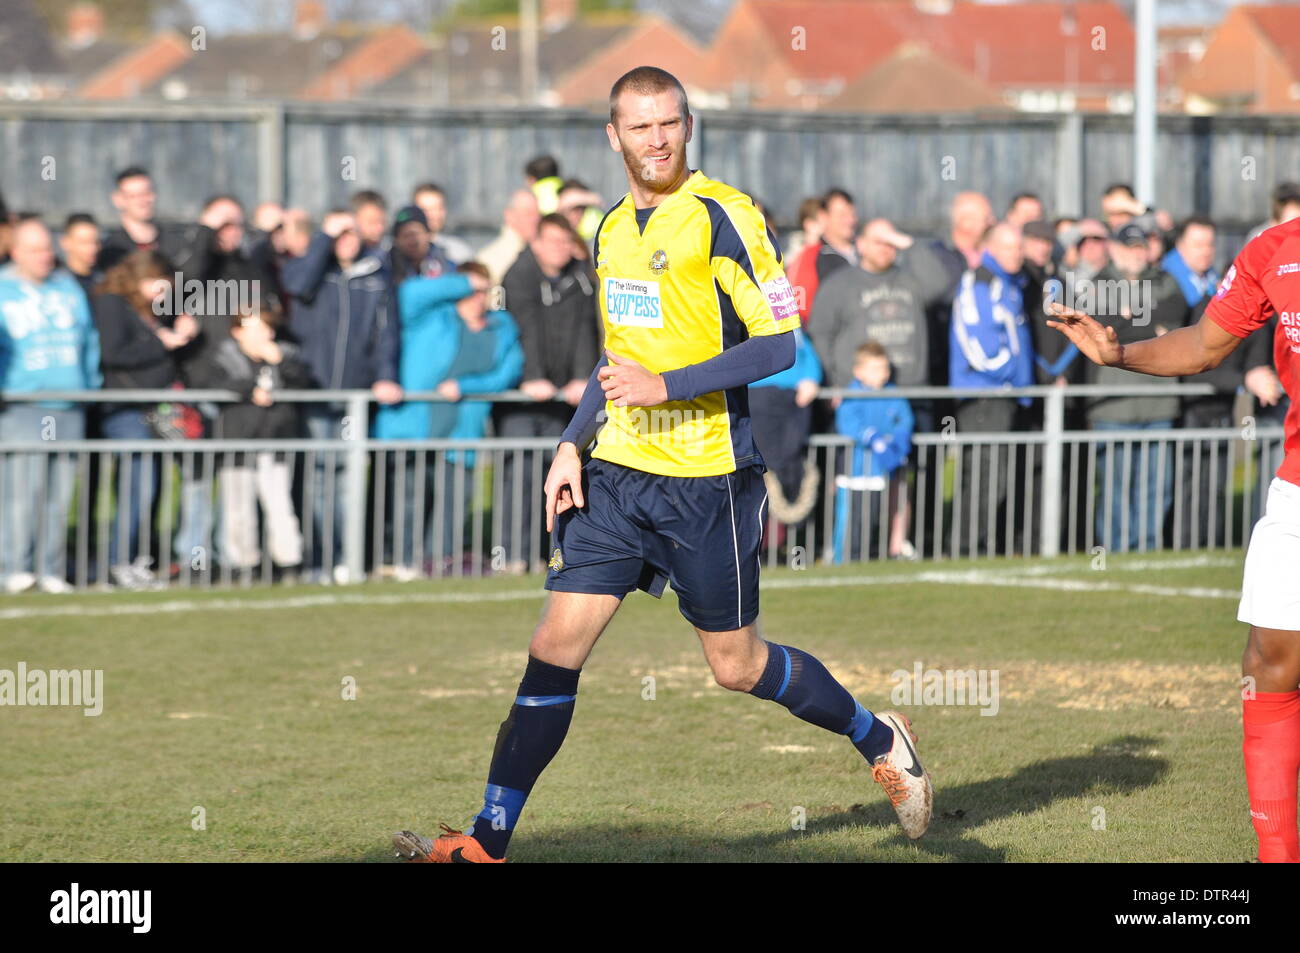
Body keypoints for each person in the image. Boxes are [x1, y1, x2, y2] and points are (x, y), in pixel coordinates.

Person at [393, 66, 933, 865]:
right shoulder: (609, 228)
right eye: (639, 126)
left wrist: (669, 385)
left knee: (736, 665)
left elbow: (779, 343)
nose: (656, 139)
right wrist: (573, 439)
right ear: (613, 136)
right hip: (617, 475)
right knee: (554, 645)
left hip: (707, 479)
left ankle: (877, 733)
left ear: (688, 126)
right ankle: (486, 841)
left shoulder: (727, 216)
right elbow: (619, 358)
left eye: (668, 123)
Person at [1045, 212, 1300, 863]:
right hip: (1297, 486)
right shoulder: (1275, 247)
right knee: (1270, 661)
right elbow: (1204, 346)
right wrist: (1119, 353)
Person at [373, 261, 523, 578]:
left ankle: (435, 563)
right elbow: (409, 294)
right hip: (414, 427)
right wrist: (462, 282)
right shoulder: (432, 319)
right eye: (472, 291)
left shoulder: (501, 327)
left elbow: (508, 372)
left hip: (461, 431)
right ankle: (403, 562)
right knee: (410, 499)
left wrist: (466, 386)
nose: (478, 297)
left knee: (455, 501)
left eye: (484, 291)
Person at [280, 209, 401, 583]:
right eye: (339, 234)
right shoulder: (315, 271)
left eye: (352, 233)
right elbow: (297, 285)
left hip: (354, 399)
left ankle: (348, 559)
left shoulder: (376, 277)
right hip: (315, 394)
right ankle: (319, 560)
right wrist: (322, 241)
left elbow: (387, 335)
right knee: (317, 477)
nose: (346, 240)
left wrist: (384, 377)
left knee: (347, 477)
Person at [0, 219, 102, 594]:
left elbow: (89, 341)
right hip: (22, 406)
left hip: (70, 404)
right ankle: (14, 567)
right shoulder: (3, 289)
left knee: (60, 496)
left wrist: (89, 387)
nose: (45, 256)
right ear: (15, 252)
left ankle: (51, 568)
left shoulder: (67, 287)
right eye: (35, 249)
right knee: (21, 493)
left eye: (47, 248)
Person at [497, 213, 600, 572]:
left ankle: (552, 555)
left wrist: (581, 379)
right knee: (520, 476)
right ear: (536, 242)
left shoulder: (580, 278)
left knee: (558, 477)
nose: (560, 249)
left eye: (564, 241)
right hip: (523, 400)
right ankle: (513, 555)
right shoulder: (519, 276)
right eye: (552, 241)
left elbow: (588, 330)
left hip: (564, 400)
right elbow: (523, 329)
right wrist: (532, 376)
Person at [93, 250, 198, 589]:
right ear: (140, 278)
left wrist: (176, 334)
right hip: (125, 409)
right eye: (159, 287)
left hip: (151, 408)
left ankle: (135, 560)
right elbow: (112, 353)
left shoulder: (145, 310)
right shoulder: (111, 303)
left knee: (148, 487)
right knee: (136, 486)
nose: (162, 296)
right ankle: (116, 562)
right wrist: (161, 343)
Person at [186, 301, 309, 580]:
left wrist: (279, 362)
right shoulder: (223, 357)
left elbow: (303, 381)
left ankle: (289, 562)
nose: (262, 335)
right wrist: (248, 389)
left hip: (274, 441)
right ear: (238, 332)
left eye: (265, 328)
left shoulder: (285, 356)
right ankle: (242, 563)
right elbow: (208, 383)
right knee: (237, 509)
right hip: (238, 443)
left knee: (279, 505)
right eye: (253, 329)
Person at [949, 222, 1035, 557]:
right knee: (984, 477)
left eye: (1019, 246)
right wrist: (1011, 374)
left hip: (1006, 396)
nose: (1017, 253)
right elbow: (979, 344)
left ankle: (985, 545)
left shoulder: (1010, 284)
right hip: (985, 396)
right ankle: (966, 547)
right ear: (990, 247)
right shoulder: (979, 281)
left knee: (998, 476)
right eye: (1009, 246)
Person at [833, 341, 914, 562]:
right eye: (875, 368)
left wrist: (898, 438)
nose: (883, 374)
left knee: (871, 517)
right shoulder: (852, 394)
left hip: (878, 470)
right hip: (854, 469)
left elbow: (905, 418)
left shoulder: (893, 393)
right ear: (859, 371)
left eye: (884, 368)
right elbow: (847, 422)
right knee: (849, 518)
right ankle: (842, 559)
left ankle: (864, 557)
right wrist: (871, 436)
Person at [96, 166, 212, 285]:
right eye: (133, 196)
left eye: (146, 193)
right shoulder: (111, 249)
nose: (143, 201)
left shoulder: (177, 242)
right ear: (118, 200)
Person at [476, 189, 541, 287]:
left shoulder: (542, 251)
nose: (536, 219)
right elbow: (495, 300)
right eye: (529, 213)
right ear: (509, 215)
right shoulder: (490, 259)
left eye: (538, 213)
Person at [412, 182, 473, 266]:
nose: (434, 215)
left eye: (438, 208)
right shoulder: (398, 253)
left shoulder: (459, 252)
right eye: (426, 210)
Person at [59, 213, 102, 299]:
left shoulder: (103, 282)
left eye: (95, 242)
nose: (92, 248)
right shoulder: (57, 284)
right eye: (84, 242)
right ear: (65, 242)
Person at [350, 189, 389, 261]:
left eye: (382, 222)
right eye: (372, 222)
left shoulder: (390, 253)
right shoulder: (343, 257)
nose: (380, 228)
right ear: (354, 220)